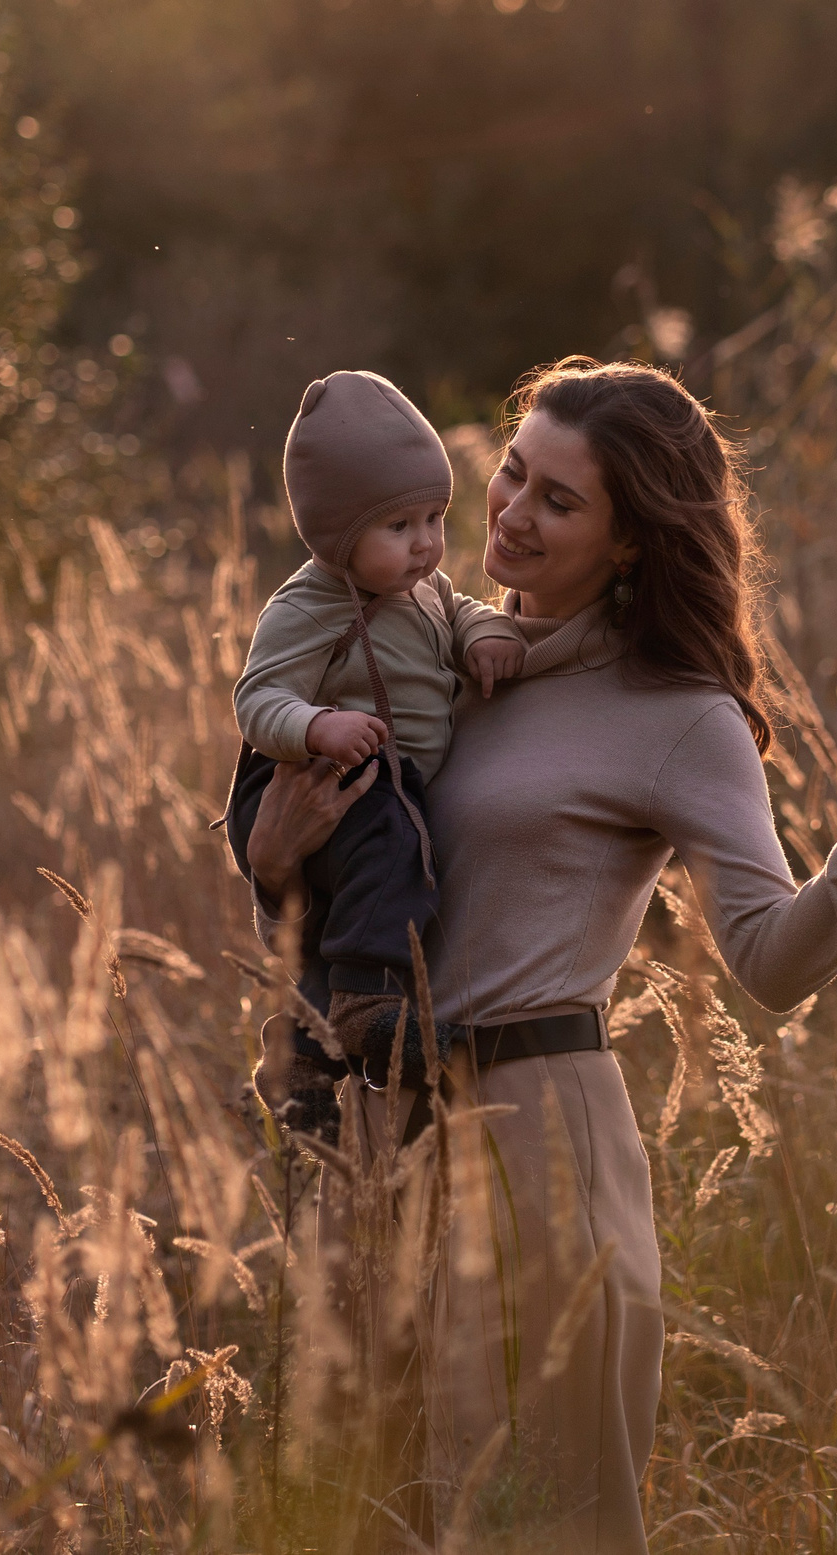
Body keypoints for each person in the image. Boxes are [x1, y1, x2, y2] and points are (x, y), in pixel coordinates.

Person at [244, 358, 837, 1552]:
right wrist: (269, 857)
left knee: (530, 1527)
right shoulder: (438, 650)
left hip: (537, 1141)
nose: (511, 513)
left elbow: (772, 961)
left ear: (632, 541)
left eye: (559, 501)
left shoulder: (679, 715)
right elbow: (342, 900)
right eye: (511, 473)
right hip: (382, 1131)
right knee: (366, 1517)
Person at [229, 369, 525, 1134]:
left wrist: (487, 634)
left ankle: (299, 1053)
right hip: (312, 775)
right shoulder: (309, 603)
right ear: (337, 533)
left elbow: (461, 611)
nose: (425, 542)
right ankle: (370, 1004)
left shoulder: (425, 588)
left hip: (376, 782)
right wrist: (316, 725)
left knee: (363, 897)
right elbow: (257, 698)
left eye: (434, 517)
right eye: (398, 526)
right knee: (392, 855)